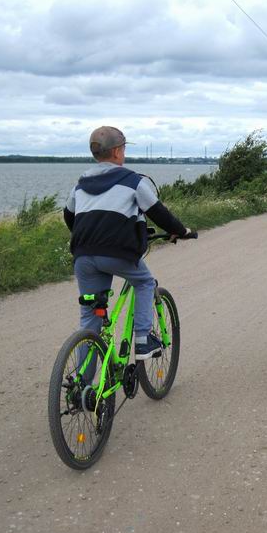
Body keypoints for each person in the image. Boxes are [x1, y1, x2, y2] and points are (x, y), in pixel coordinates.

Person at [63, 126, 191, 377]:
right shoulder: (133, 181)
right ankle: (143, 339)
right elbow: (157, 212)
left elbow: (69, 216)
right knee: (144, 282)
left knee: (90, 317)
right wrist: (181, 230)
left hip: (84, 256)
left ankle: (83, 385)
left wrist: (88, 238)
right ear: (118, 151)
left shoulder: (80, 184)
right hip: (118, 254)